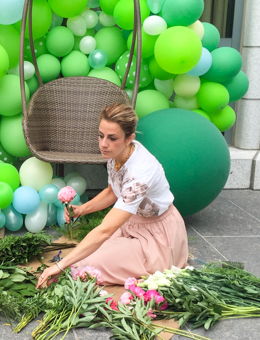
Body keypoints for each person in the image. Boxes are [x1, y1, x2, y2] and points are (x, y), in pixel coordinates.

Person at [37, 103, 188, 289]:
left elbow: (105, 230)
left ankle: (154, 261)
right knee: (84, 256)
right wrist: (82, 210)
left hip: (157, 236)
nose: (103, 144)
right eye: (101, 135)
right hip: (130, 222)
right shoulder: (117, 153)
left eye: (112, 138)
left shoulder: (140, 173)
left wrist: (59, 265)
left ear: (129, 138)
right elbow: (112, 191)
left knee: (85, 267)